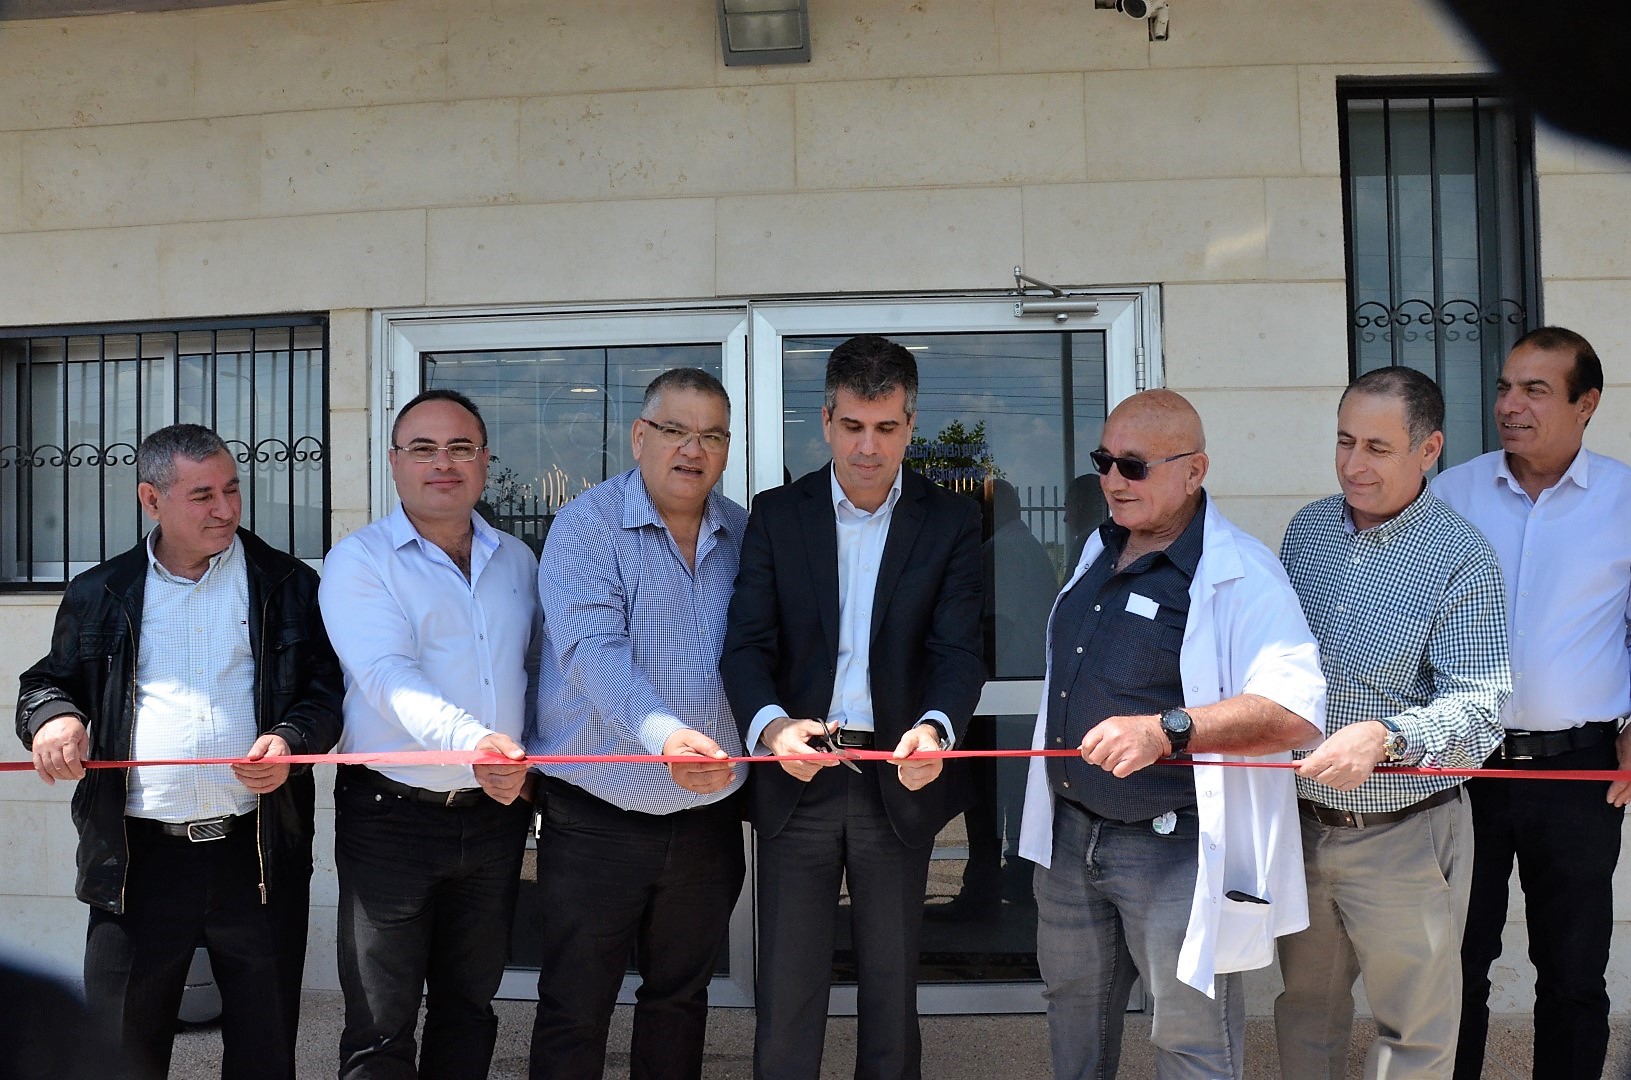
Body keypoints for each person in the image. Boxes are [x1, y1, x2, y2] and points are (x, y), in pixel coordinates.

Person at [15, 423, 343, 1080]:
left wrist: (290, 739)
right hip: (135, 861)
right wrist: (54, 719)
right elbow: (47, 683)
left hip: (255, 853)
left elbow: (325, 691)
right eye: (202, 495)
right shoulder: (100, 591)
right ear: (151, 499)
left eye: (232, 490)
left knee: (264, 1052)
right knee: (119, 1054)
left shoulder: (287, 583)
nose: (225, 508)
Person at [1016, 389, 1326, 1080]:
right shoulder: (1098, 548)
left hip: (1172, 848)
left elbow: (1296, 709)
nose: (1112, 480)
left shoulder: (1242, 571)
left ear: (1194, 470)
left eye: (1133, 466)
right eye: (1103, 461)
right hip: (1070, 837)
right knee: (1073, 1017)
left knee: (1190, 1037)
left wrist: (1167, 731)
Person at [719, 334, 985, 1080]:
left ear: (910, 424)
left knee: (892, 995)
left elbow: (959, 652)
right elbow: (745, 647)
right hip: (797, 777)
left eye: (887, 427)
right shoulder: (777, 515)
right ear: (826, 421)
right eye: (853, 426)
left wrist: (935, 730)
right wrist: (772, 727)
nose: (869, 447)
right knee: (787, 994)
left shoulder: (950, 520)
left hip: (896, 776)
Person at [1276, 366, 1510, 1079]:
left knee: (1415, 1035)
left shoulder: (1461, 555)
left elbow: (1481, 705)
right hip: (1300, 827)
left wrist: (1387, 736)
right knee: (1304, 1014)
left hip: (1405, 834)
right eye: (1344, 441)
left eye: (1377, 447)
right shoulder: (1307, 532)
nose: (1353, 463)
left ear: (1428, 449)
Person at [526, 368, 748, 1080]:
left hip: (709, 820)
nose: (693, 449)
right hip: (598, 817)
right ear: (639, 436)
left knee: (680, 1002)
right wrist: (664, 737)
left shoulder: (742, 531)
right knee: (574, 1006)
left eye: (712, 435)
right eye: (676, 430)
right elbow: (592, 651)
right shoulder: (586, 526)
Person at [319, 388, 539, 1079]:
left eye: (459, 448)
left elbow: (536, 675)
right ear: (394, 462)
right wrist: (478, 743)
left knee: (469, 1007)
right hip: (390, 818)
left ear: (484, 461)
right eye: (423, 448)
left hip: (495, 816)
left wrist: (530, 768)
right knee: (380, 1022)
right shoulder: (359, 561)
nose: (443, 464)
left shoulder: (518, 561)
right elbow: (387, 674)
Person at [1434, 326, 1631, 1080]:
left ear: (1587, 404)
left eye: (1534, 390)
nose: (1509, 405)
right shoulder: (1449, 495)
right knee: (1455, 965)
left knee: (1574, 970)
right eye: (1504, 387)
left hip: (1579, 772)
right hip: (1461, 768)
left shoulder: (1623, 500)